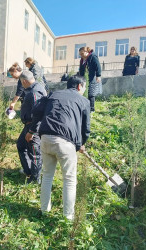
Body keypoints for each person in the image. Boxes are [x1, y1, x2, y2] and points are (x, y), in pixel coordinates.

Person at [26, 75, 91, 220]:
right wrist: (80, 144)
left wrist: (31, 130)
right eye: (84, 87)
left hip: (45, 138)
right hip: (65, 142)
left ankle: (44, 210)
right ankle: (68, 216)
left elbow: (37, 111)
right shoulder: (84, 101)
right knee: (69, 178)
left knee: (47, 175)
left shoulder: (54, 94)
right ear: (80, 86)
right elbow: (85, 129)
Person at [17, 70, 46, 184]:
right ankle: (28, 170)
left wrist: (32, 131)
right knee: (21, 145)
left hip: (33, 127)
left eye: (21, 83)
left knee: (34, 152)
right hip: (29, 125)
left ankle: (35, 179)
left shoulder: (35, 91)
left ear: (24, 81)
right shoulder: (34, 88)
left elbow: (38, 114)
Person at [78, 46, 102, 112]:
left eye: (82, 54)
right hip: (85, 78)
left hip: (92, 77)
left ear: (86, 52)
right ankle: (86, 106)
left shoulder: (93, 56)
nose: (81, 55)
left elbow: (98, 66)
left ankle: (92, 108)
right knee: (85, 92)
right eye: (80, 54)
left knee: (91, 92)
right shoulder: (82, 60)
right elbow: (81, 69)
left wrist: (98, 75)